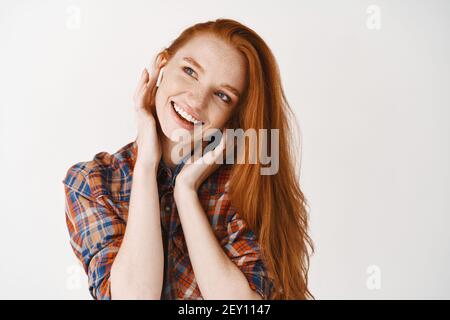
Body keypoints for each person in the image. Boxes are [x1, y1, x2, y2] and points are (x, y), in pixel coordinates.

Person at [63, 18, 313, 300]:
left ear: (233, 117)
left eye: (222, 95)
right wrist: (145, 166)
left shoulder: (249, 183)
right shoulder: (92, 182)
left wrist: (186, 190)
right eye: (190, 71)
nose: (197, 100)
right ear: (162, 66)